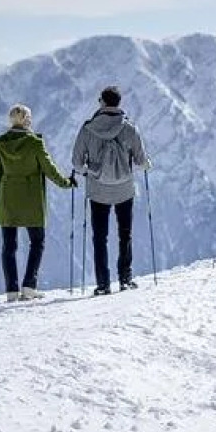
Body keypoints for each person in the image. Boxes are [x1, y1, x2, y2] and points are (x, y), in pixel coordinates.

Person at [0, 103, 74, 301]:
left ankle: (11, 291)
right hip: (32, 199)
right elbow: (49, 169)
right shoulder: (35, 143)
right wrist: (67, 183)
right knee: (37, 242)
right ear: (27, 120)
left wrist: (1, 186)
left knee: (9, 246)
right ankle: (29, 286)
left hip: (7, 199)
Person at [72, 85, 148, 294]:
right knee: (125, 234)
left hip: (98, 191)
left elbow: (77, 164)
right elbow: (142, 161)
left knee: (100, 237)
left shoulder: (87, 129)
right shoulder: (130, 128)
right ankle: (125, 279)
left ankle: (103, 284)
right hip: (124, 189)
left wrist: (91, 173)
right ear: (118, 103)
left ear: (103, 103)